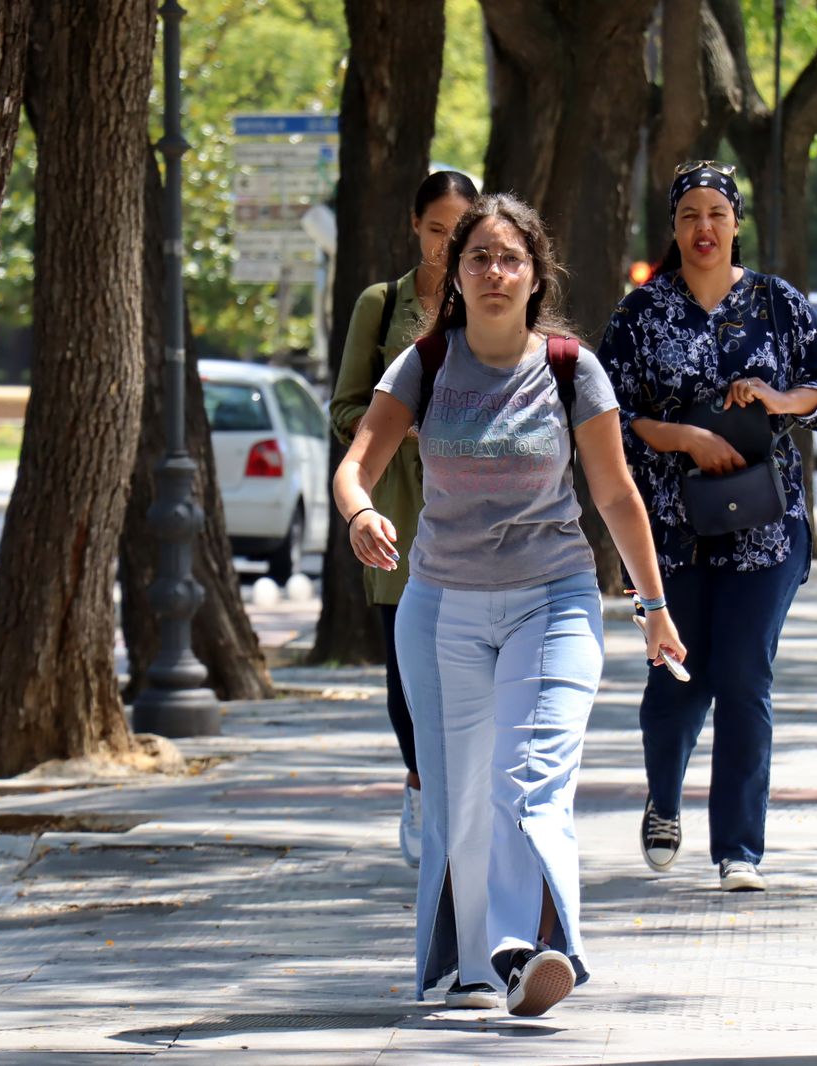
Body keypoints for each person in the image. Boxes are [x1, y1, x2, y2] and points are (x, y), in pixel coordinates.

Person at [334, 193, 684, 1017]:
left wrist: (654, 606)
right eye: (479, 258)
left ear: (536, 275)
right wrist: (361, 514)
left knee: (529, 780)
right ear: (455, 273)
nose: (495, 272)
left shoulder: (570, 367)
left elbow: (616, 495)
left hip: (552, 601)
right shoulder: (423, 364)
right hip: (442, 608)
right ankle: (471, 968)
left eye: (511, 259)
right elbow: (355, 466)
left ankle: (530, 951)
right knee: (458, 800)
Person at [598, 160, 817, 893]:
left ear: (736, 223)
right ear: (674, 226)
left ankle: (739, 850)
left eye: (717, 213)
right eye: (690, 215)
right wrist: (683, 437)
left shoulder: (777, 303)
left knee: (746, 675)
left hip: (767, 527)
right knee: (680, 677)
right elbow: (604, 414)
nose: (704, 228)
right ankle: (663, 799)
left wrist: (781, 400)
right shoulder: (642, 312)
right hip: (672, 527)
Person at [329, 171, 479, 869]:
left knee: (469, 662)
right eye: (435, 229)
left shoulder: (489, 296)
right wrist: (401, 426)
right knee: (406, 668)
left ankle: (463, 802)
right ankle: (421, 785)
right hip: (397, 504)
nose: (446, 246)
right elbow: (346, 407)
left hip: (472, 504)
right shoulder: (381, 302)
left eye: (460, 231)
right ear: (414, 225)